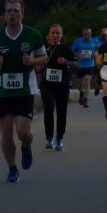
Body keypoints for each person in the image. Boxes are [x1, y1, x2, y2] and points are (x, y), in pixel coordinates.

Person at [0, 0, 47, 183]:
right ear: (4, 14)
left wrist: (32, 61)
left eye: (16, 11)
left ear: (22, 14)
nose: (12, 14)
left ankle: (26, 146)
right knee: (6, 131)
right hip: (4, 92)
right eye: (9, 11)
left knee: (23, 132)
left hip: (25, 91)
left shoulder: (33, 35)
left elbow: (44, 57)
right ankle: (12, 168)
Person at [38, 24, 76, 152]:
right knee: (48, 109)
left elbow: (76, 64)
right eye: (53, 33)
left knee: (61, 111)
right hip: (47, 84)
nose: (55, 35)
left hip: (62, 84)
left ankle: (59, 139)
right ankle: (49, 138)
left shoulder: (66, 49)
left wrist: (65, 62)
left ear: (61, 35)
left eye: (57, 33)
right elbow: (37, 64)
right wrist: (37, 67)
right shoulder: (43, 49)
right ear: (48, 35)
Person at [71, 28, 100, 108]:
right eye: (85, 33)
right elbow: (72, 50)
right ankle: (81, 93)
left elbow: (98, 50)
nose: (87, 35)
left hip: (90, 64)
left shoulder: (95, 41)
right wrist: (78, 55)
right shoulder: (78, 41)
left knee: (87, 80)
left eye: (88, 33)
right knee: (79, 84)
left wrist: (96, 53)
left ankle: (86, 99)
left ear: (91, 34)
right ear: (83, 34)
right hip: (80, 65)